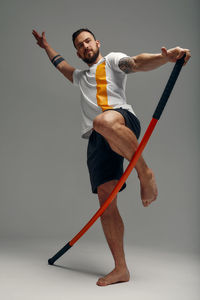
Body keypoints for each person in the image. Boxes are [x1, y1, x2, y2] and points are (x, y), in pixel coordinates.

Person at [32, 28, 191, 286]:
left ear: (96, 43)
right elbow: (60, 66)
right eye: (79, 45)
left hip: (119, 120)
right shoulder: (80, 76)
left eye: (87, 41)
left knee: (102, 121)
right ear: (78, 52)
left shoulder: (112, 61)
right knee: (106, 203)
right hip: (97, 139)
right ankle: (121, 269)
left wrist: (167, 58)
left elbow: (137, 62)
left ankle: (145, 173)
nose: (85, 46)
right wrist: (46, 47)